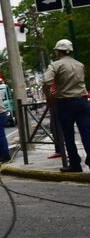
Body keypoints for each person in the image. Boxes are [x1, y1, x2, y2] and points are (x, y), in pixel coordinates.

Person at [42, 39, 90, 172]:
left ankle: (75, 164)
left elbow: (46, 81)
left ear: (58, 51)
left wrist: (48, 95)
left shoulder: (55, 65)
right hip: (83, 101)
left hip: (65, 103)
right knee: (87, 133)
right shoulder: (80, 64)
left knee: (68, 135)